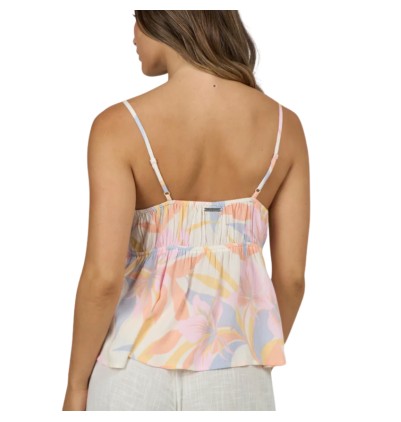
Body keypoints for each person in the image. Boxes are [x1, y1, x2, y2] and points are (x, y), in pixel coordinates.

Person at [62, 10, 310, 411]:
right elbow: (292, 279)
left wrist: (76, 385)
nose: (133, 34)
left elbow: (103, 278)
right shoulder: (285, 127)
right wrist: (249, 346)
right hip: (238, 372)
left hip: (132, 369)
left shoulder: (118, 126)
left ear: (167, 18)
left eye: (138, 16)